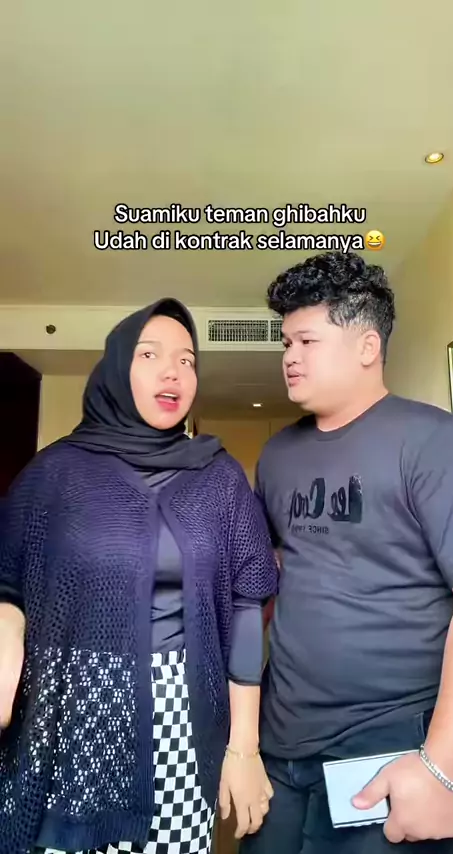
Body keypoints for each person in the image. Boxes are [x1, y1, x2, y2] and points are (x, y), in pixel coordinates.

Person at [0, 297, 278, 854]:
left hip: (183, 712)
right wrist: (6, 643)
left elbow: (248, 604)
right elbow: (9, 584)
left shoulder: (219, 478)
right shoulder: (54, 473)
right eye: (150, 354)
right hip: (72, 709)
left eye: (187, 360)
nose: (173, 371)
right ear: (117, 366)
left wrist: (244, 747)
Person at [240, 250, 453, 853]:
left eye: (307, 341)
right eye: (286, 342)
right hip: (281, 742)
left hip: (394, 744)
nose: (289, 357)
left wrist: (446, 768)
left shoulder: (437, 442)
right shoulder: (278, 455)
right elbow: (269, 576)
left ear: (368, 346)